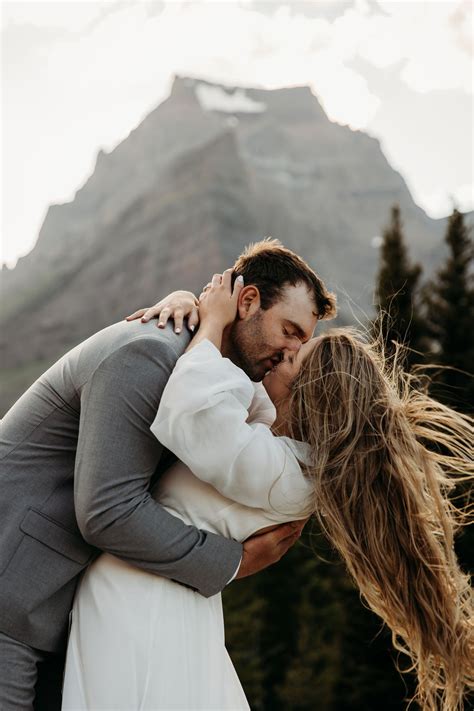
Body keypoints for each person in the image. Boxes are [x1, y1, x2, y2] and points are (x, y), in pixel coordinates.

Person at [63, 271, 473, 711]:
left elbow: (193, 411)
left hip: (142, 601)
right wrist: (190, 301)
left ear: (310, 394)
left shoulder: (285, 473)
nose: (284, 355)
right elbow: (236, 387)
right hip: (160, 596)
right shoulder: (281, 451)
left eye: (295, 359)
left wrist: (212, 323)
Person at [0, 239, 336, 710]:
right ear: (248, 300)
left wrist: (195, 305)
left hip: (52, 606)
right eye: (290, 330)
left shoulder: (205, 372)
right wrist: (232, 561)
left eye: (302, 340)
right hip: (12, 594)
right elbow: (107, 511)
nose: (292, 352)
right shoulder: (151, 354)